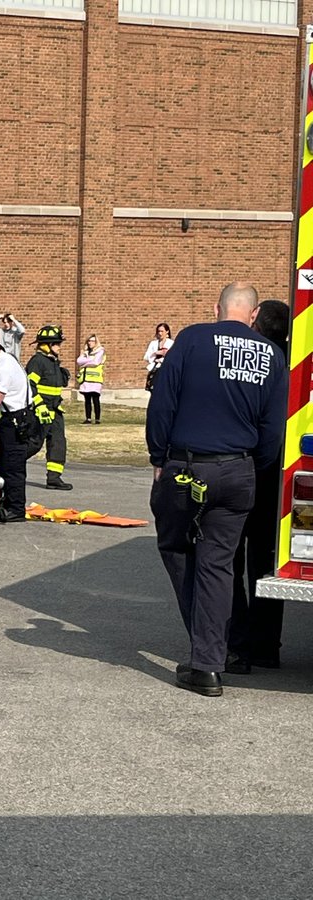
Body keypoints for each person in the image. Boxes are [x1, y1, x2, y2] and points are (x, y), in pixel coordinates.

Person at [147, 283, 286, 697]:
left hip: (188, 467)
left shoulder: (191, 339)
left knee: (177, 548)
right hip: (239, 470)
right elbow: (273, 428)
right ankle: (219, 655)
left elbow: (163, 402)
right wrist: (253, 467)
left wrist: (158, 456)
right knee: (219, 565)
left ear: (216, 307)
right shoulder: (272, 355)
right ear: (253, 313)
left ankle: (212, 653)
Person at [226, 299, 290, 673]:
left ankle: (238, 643)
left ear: (257, 326)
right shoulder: (293, 361)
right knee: (266, 564)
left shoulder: (256, 359)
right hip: (276, 478)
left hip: (246, 469)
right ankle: (266, 646)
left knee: (229, 561)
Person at [0, 339, 32, 523]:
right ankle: (3, 505)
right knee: (5, 464)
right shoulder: (8, 360)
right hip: (17, 416)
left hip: (15, 418)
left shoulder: (3, 366)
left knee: (13, 466)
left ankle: (15, 509)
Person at [25, 325, 72, 490]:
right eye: (56, 344)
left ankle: (54, 478)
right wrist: (39, 405)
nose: (59, 347)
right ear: (47, 345)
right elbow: (30, 385)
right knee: (33, 444)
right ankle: (9, 466)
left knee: (58, 443)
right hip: (41, 410)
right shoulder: (37, 362)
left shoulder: (53, 362)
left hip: (55, 409)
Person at [76, 334, 105, 424]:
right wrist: (88, 361)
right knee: (87, 400)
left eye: (92, 341)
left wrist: (84, 363)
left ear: (96, 342)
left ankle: (97, 419)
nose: (90, 343)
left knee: (95, 400)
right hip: (86, 379)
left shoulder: (100, 351)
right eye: (89, 341)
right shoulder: (85, 352)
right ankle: (88, 418)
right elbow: (79, 361)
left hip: (95, 379)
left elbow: (96, 362)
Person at [144, 323, 173, 391]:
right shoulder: (153, 343)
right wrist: (155, 353)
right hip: (155, 369)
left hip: (166, 370)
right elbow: (146, 356)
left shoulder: (171, 343)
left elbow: (173, 357)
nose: (160, 333)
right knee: (153, 389)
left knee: (164, 389)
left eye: (162, 331)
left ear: (167, 331)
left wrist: (165, 355)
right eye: (158, 331)